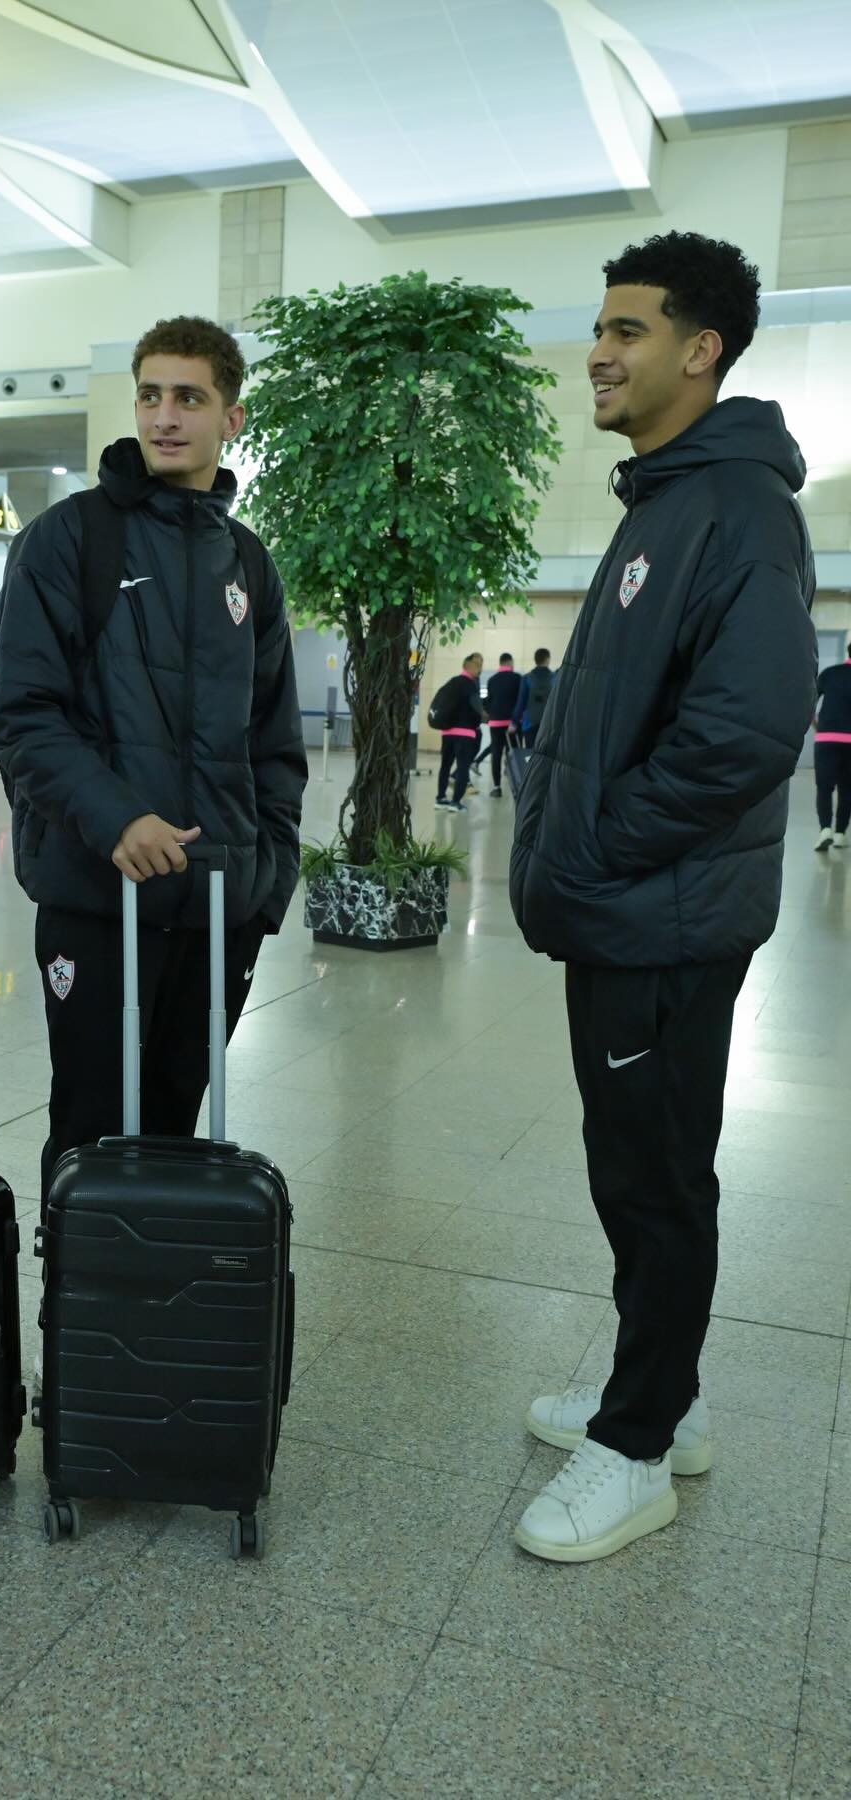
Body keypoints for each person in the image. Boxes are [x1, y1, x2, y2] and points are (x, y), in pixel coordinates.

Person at [510, 231, 816, 1564]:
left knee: (658, 1180)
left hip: (665, 916)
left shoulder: (737, 508)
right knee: (632, 1164)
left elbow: (744, 732)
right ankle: (662, 1397)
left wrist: (595, 850)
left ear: (702, 350)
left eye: (627, 329)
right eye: (600, 327)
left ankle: (636, 1449)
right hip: (634, 908)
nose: (599, 351)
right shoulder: (669, 500)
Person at [0, 315, 307, 1202]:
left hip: (216, 911)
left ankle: (156, 1290)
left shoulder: (247, 563)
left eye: (189, 399)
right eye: (150, 396)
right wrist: (117, 818)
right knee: (91, 1133)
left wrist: (265, 885)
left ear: (231, 418)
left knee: (174, 1132)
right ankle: (79, 1289)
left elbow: (275, 742)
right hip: (100, 900)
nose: (165, 417)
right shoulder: (68, 540)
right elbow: (23, 717)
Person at [433, 653, 484, 813]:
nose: (479, 669)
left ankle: (440, 798)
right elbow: (477, 710)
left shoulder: (452, 682)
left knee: (445, 766)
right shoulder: (470, 685)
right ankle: (455, 802)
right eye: (478, 667)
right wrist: (482, 719)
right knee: (463, 767)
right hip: (465, 734)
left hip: (447, 733)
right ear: (471, 667)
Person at [813, 651, 851, 851]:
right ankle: (840, 834)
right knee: (847, 789)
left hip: (827, 738)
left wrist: (817, 726)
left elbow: (808, 701)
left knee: (824, 787)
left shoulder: (830, 673)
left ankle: (825, 830)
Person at [471, 652, 519, 796]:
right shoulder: (517, 678)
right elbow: (520, 701)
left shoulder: (492, 680)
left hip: (496, 722)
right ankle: (517, 786)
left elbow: (489, 700)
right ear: (510, 662)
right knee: (514, 755)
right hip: (512, 724)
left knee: (496, 754)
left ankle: (497, 787)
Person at [515, 647, 555, 748]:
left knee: (530, 753)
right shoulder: (555, 678)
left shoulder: (527, 678)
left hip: (530, 724)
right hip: (549, 725)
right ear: (548, 659)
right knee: (547, 754)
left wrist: (514, 722)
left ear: (535, 660)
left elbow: (521, 702)